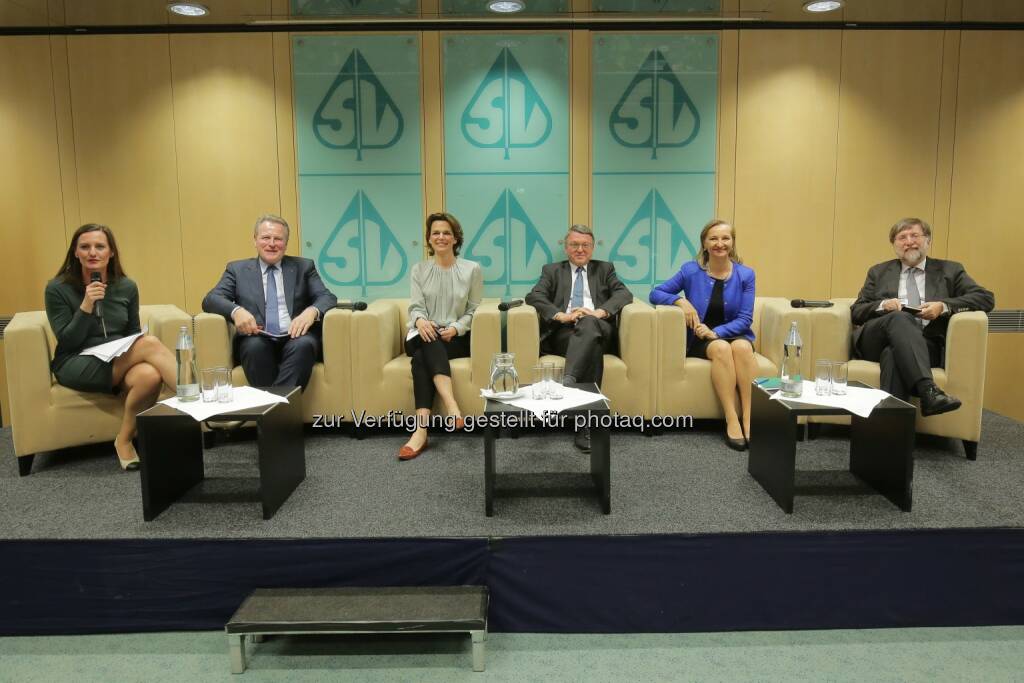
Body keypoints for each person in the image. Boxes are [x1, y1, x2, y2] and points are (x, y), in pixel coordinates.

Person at [44, 223, 177, 471]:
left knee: (149, 375)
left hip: (117, 358)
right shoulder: (57, 288)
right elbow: (67, 341)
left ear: (111, 252)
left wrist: (126, 349)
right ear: (75, 252)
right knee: (149, 344)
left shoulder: (126, 286)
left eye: (99, 246)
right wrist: (85, 305)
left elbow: (132, 333)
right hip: (75, 361)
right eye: (85, 247)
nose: (92, 252)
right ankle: (198, 397)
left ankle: (124, 440)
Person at [851, 217, 994, 414]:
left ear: (928, 241)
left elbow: (985, 298)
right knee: (900, 317)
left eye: (915, 235)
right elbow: (857, 311)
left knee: (893, 355)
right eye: (902, 237)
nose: (909, 241)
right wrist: (884, 305)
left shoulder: (950, 270)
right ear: (894, 245)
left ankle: (891, 435)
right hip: (876, 338)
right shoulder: (878, 272)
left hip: (925, 345)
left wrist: (943, 306)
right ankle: (929, 390)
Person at [650, 219, 757, 451]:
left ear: (733, 242)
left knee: (741, 348)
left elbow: (745, 319)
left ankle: (749, 418)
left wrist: (716, 331)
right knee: (721, 348)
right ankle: (731, 419)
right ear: (705, 244)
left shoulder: (746, 275)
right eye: (714, 239)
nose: (720, 243)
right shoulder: (690, 270)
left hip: (735, 334)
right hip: (700, 339)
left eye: (725, 238)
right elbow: (656, 292)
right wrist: (680, 300)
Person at [525, 224, 633, 453]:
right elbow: (534, 295)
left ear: (592, 248)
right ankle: (585, 425)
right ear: (566, 248)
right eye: (574, 244)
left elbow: (624, 294)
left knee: (590, 324)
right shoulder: (552, 270)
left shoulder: (605, 269)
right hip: (566, 333)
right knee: (590, 346)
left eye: (585, 245)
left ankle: (569, 381)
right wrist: (561, 315)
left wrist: (598, 313)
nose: (580, 249)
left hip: (600, 327)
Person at [202, 214, 337, 391]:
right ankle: (281, 412)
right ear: (255, 240)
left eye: (278, 239)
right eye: (265, 237)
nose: (272, 243)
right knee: (254, 348)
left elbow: (327, 297)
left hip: (295, 336)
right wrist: (236, 311)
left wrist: (311, 312)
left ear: (286, 244)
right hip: (257, 337)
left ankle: (271, 412)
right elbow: (211, 299)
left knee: (304, 345)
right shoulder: (237, 269)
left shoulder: (304, 267)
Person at [399, 212, 483, 461]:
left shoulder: (472, 269)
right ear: (429, 238)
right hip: (421, 331)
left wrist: (457, 327)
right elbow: (415, 306)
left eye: (447, 232)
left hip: (455, 337)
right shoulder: (419, 269)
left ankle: (420, 431)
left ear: (456, 238)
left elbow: (474, 308)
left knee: (422, 359)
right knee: (428, 338)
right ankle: (451, 405)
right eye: (435, 232)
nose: (441, 237)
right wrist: (421, 320)